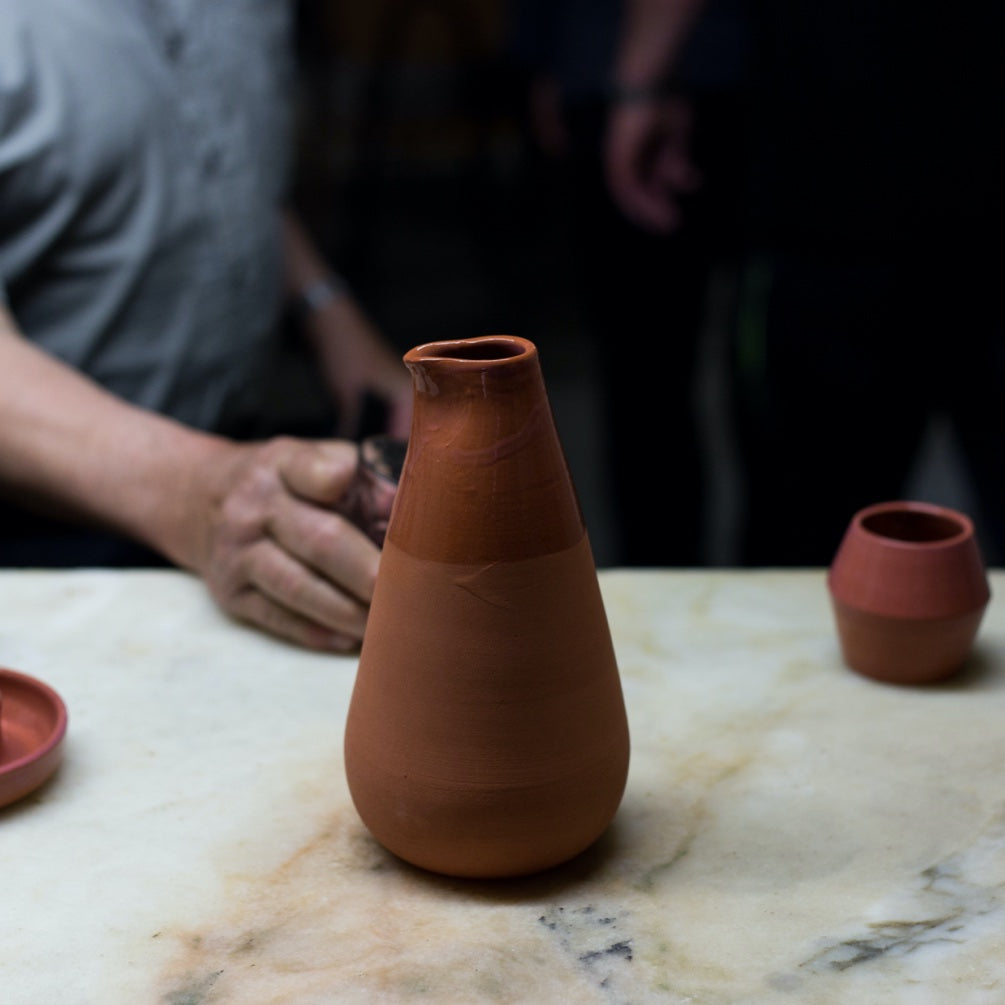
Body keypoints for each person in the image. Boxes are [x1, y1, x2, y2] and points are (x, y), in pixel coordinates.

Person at [0, 1, 413, 650]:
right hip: (44, 541)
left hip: (243, 462)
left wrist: (334, 321)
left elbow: (221, 164)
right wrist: (200, 492)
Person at [607, 0, 1005, 566]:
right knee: (808, 538)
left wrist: (641, 84)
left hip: (833, 189)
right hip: (841, 189)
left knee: (807, 549)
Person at [506, 0, 749, 566]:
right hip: (612, 71)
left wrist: (643, 83)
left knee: (655, 374)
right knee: (646, 376)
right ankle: (672, 588)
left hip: (665, 82)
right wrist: (549, 56)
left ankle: (687, 589)